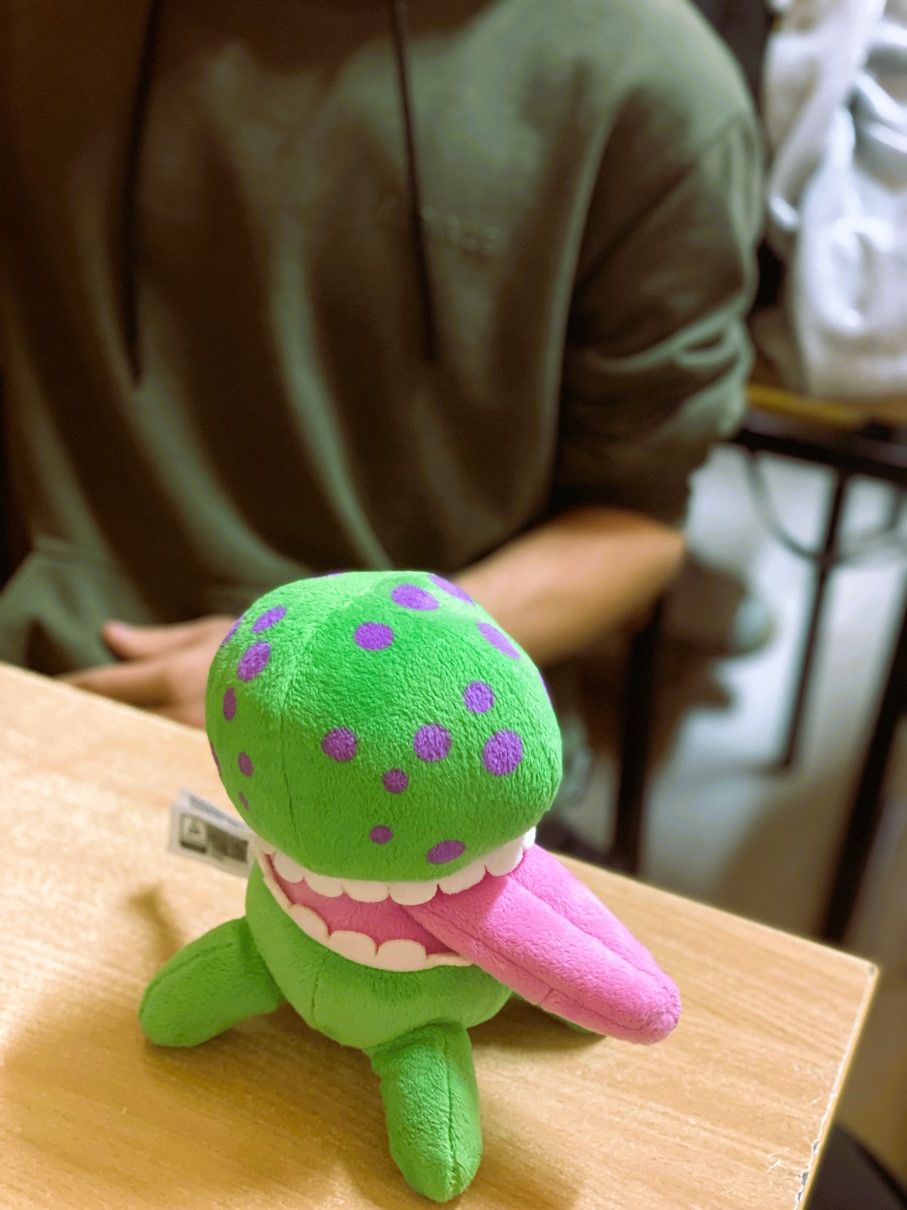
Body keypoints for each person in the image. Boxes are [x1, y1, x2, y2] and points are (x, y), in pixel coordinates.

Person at [0, 0, 762, 729]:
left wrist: (348, 669)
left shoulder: (649, 83)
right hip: (33, 672)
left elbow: (631, 521)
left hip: (395, 721)